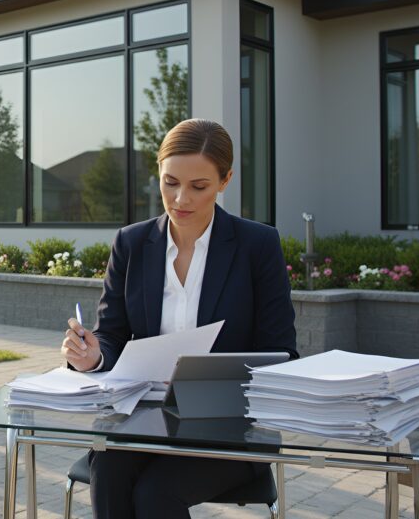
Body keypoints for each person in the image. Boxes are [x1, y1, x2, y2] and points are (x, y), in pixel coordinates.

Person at [61, 119, 297, 519]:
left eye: (199, 186)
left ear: (225, 181)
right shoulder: (132, 243)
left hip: (228, 425)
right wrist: (93, 355)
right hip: (147, 419)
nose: (180, 198)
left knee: (155, 494)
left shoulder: (258, 245)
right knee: (110, 467)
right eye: (170, 182)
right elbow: (113, 332)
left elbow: (280, 353)